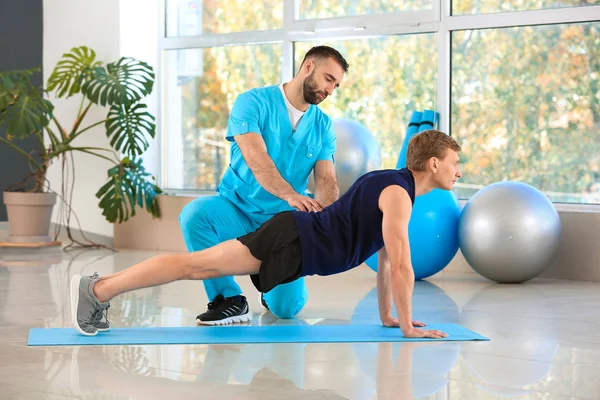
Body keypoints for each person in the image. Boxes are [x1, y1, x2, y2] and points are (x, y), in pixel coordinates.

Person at [71, 129, 462, 339]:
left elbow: (387, 260)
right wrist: (410, 327)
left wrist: (390, 317)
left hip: (296, 241)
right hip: (292, 239)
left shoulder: (392, 184)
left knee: (196, 267)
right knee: (195, 267)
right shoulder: (397, 193)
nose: (457, 171)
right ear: (433, 163)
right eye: (454, 163)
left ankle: (99, 289)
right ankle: (99, 290)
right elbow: (402, 265)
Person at [178, 45, 348, 325]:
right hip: (237, 207)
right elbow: (257, 159)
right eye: (328, 79)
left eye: (336, 85)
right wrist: (291, 194)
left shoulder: (323, 125)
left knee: (286, 309)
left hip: (282, 222)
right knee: (195, 215)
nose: (331, 90)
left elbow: (327, 179)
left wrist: (325, 219)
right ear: (308, 67)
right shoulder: (252, 102)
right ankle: (229, 298)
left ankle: (267, 283)